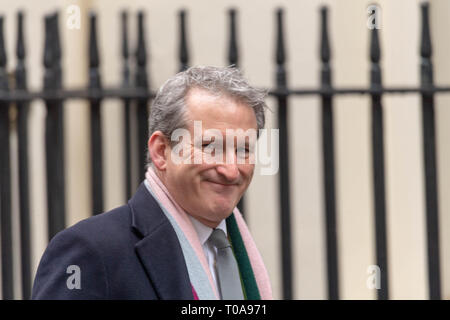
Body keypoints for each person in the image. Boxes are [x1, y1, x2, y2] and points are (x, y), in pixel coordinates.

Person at [32, 65, 273, 300]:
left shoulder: (238, 252)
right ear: (160, 151)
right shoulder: (90, 252)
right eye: (210, 147)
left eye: (244, 149)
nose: (231, 171)